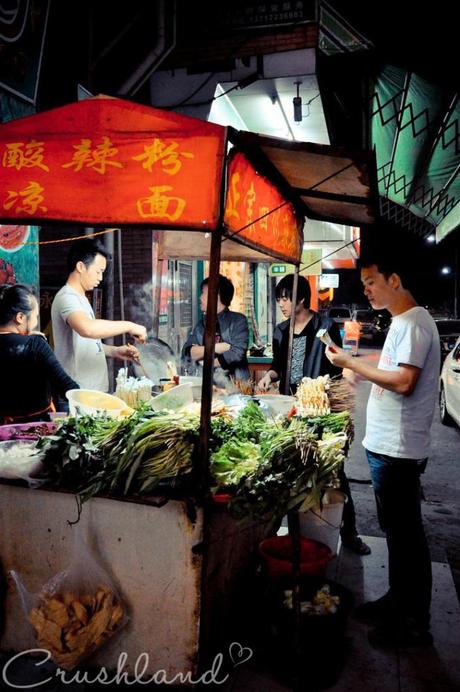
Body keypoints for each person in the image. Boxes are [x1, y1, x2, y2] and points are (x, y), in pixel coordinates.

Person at [325, 249, 440, 648]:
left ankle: (415, 624)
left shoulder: (414, 324)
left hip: (399, 449)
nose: (367, 290)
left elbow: (405, 382)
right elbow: (392, 376)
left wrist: (353, 365)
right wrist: (364, 376)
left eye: (372, 281)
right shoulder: (401, 323)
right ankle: (397, 600)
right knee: (396, 531)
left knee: (407, 535)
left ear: (395, 279)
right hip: (386, 446)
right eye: (364, 284)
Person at [258, 274, 371, 556]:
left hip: (321, 408)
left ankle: (350, 532)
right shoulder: (281, 331)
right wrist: (268, 377)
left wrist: (344, 383)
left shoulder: (324, 325)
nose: (282, 303)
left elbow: (338, 359)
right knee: (288, 466)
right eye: (279, 298)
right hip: (293, 409)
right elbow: (278, 366)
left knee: (334, 471)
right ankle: (275, 532)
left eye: (286, 297)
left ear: (301, 298)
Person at [51, 238, 147, 394]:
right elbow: (87, 329)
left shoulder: (80, 298)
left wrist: (115, 351)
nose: (101, 278)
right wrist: (130, 326)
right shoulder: (67, 297)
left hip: (91, 392)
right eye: (98, 271)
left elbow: (85, 344)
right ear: (81, 267)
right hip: (78, 393)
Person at [0, 284, 79, 424]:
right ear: (20, 317)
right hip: (35, 432)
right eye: (35, 316)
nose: (36, 321)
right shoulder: (35, 344)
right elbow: (68, 387)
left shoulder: (32, 343)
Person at [182, 274, 250, 381]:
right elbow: (187, 353)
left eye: (203, 293)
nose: (200, 297)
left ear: (215, 296)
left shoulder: (238, 321)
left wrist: (206, 362)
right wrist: (219, 347)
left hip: (235, 387)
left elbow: (236, 353)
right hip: (206, 388)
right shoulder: (201, 325)